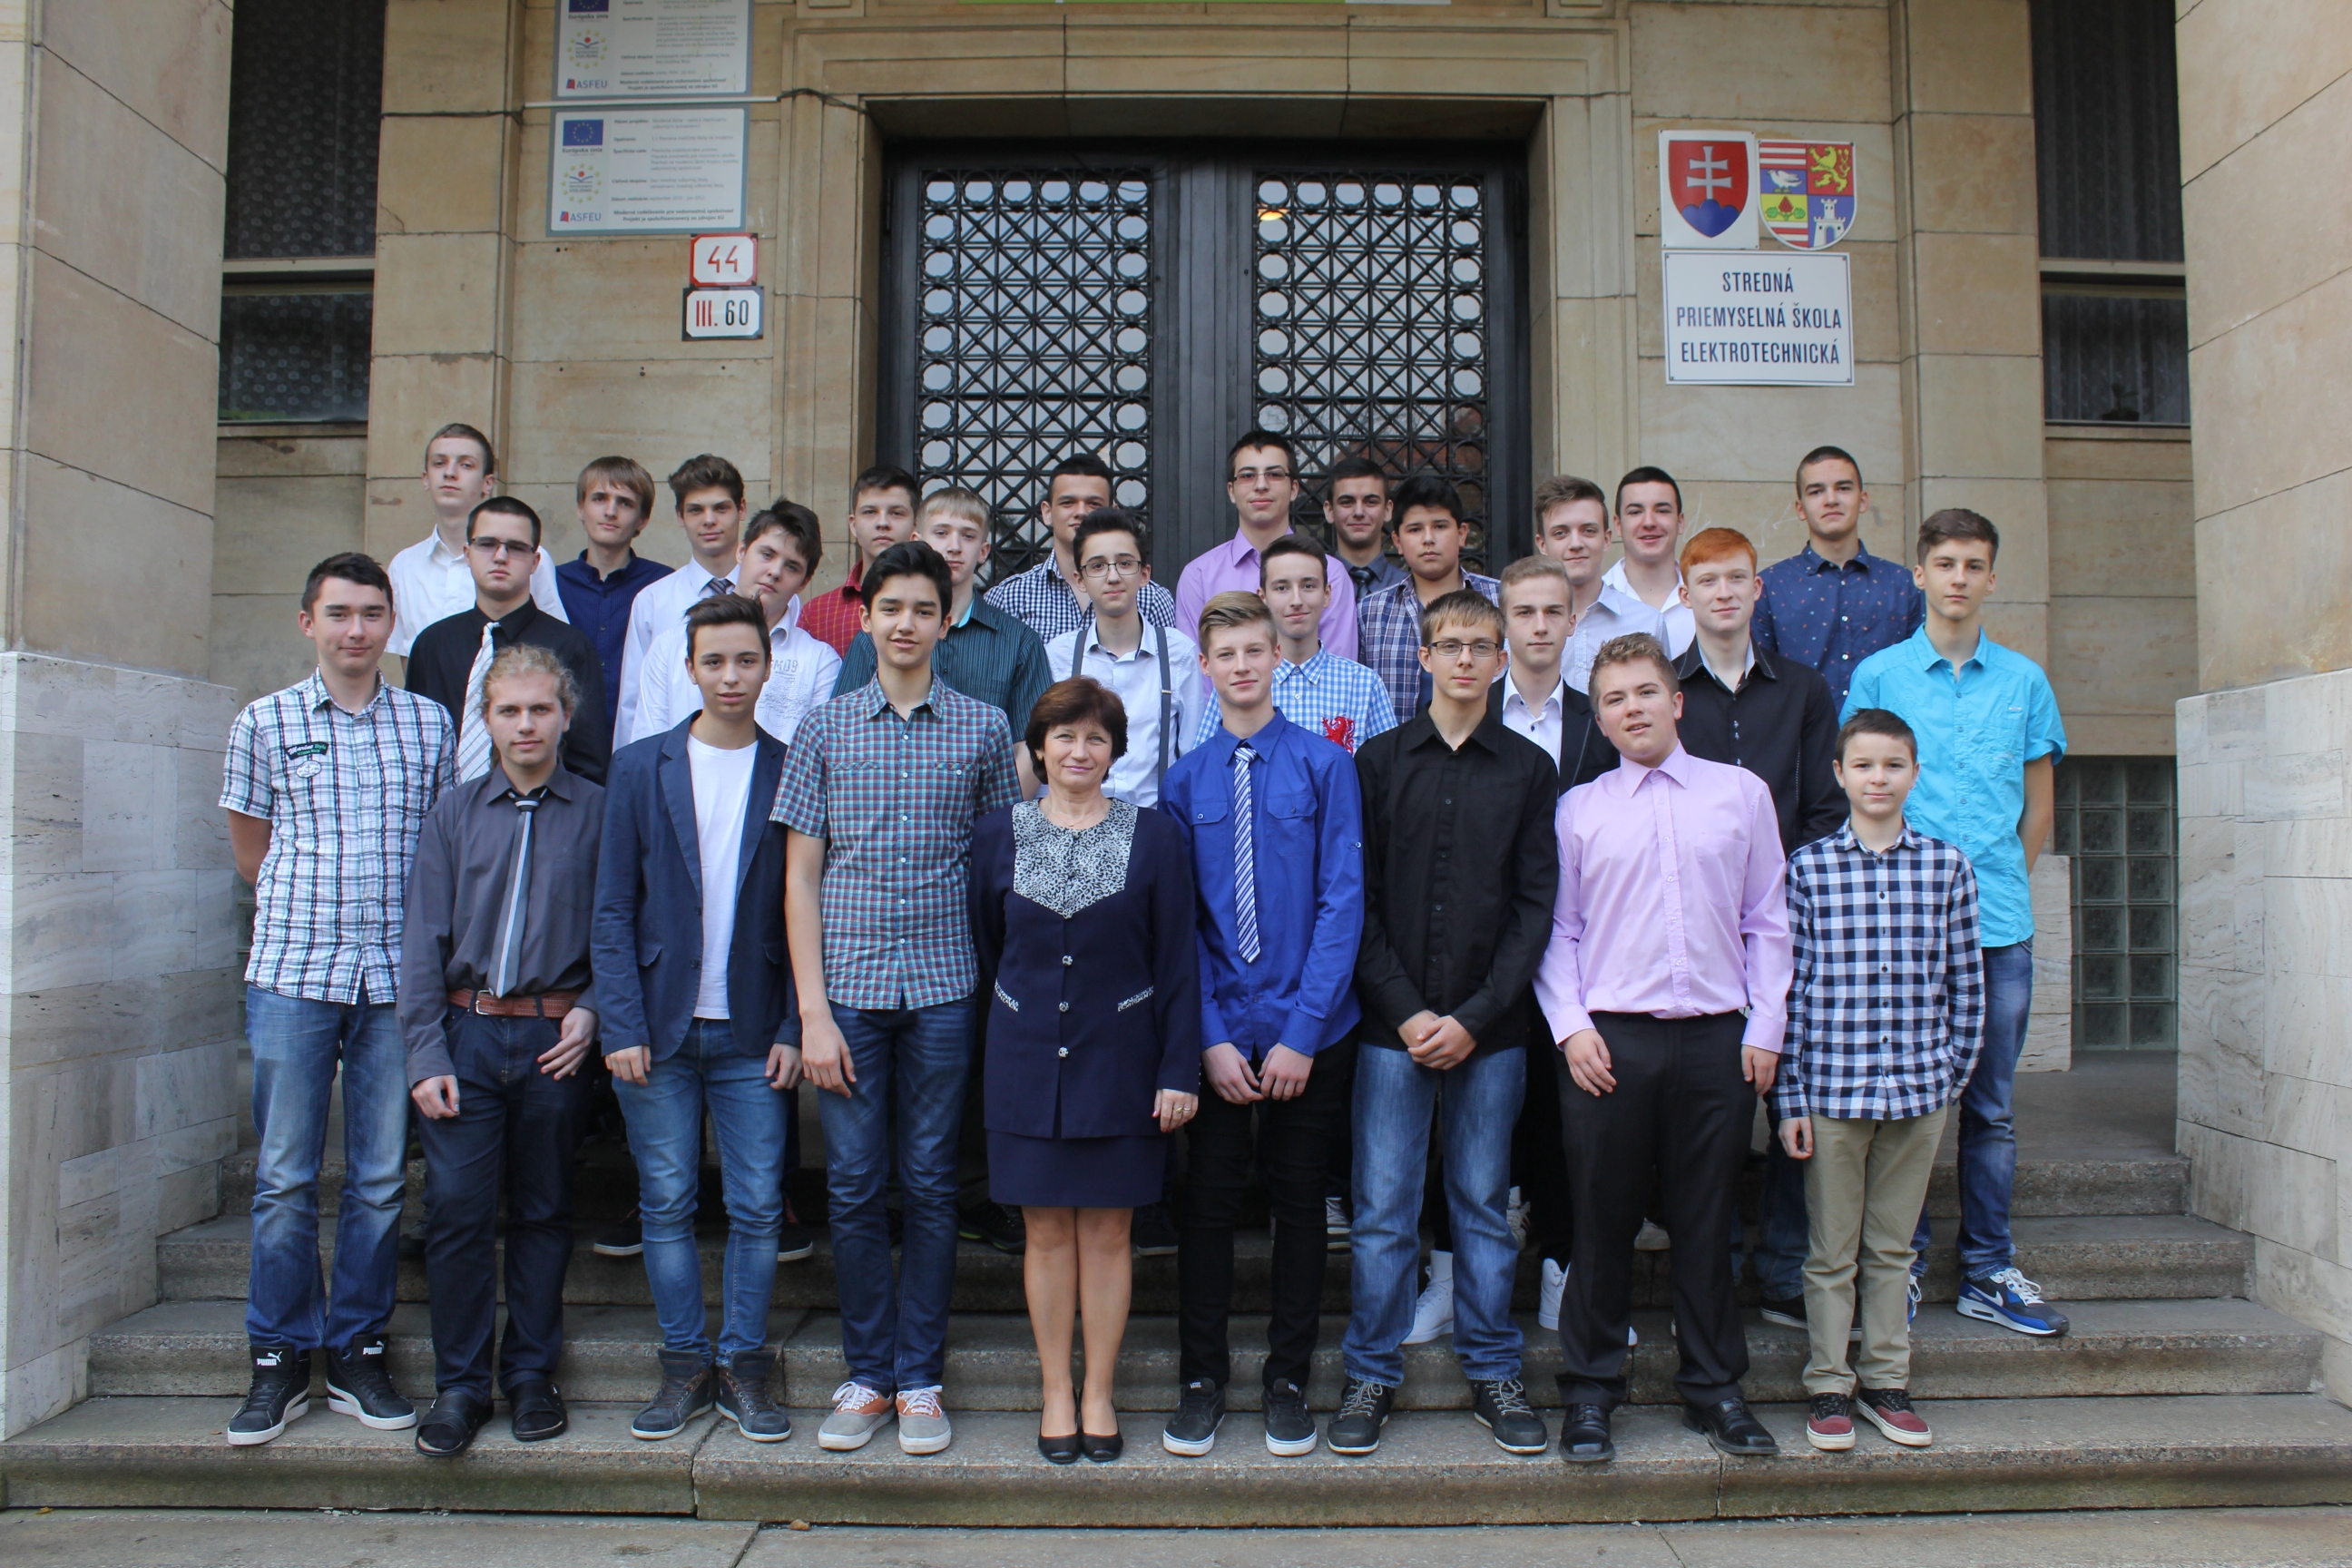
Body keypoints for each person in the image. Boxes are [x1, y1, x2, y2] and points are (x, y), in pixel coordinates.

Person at [777, 540, 1022, 1458]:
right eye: (892, 608)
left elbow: (998, 864)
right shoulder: (825, 729)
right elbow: (800, 880)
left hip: (947, 989)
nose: (907, 624)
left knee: (928, 1183)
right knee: (851, 1185)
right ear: (867, 617)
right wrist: (811, 1013)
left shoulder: (984, 729)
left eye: (924, 608)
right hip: (847, 992)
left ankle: (919, 1376)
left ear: (946, 620)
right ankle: (867, 1373)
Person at [1534, 632, 1789, 1465]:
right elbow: (1559, 931)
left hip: (1718, 1041)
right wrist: (1571, 1027)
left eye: (1645, 692)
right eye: (1614, 699)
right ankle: (1590, 1392)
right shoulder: (1579, 809)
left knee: (1707, 1222)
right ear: (1600, 719)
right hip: (1610, 1044)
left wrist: (1765, 1026)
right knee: (1600, 1222)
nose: (1632, 709)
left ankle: (1715, 1389)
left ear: (1676, 702)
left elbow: (1768, 920)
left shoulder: (1741, 794)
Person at [219, 553, 455, 1446]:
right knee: (284, 1175)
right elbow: (253, 853)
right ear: (308, 622)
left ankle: (358, 1346)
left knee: (381, 1176)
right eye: (340, 613)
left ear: (392, 623)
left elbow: (442, 850)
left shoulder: (428, 724)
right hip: (294, 973)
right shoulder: (265, 722)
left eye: (371, 614)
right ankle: (278, 1355)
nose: (356, 630)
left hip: (395, 980)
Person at [1333, 590, 1557, 1459]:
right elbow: (1356, 902)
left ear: (1503, 661)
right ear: (1423, 657)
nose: (1466, 659)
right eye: (1450, 645)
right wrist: (1407, 1010)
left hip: (1490, 1035)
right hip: (1392, 1030)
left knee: (1483, 1209)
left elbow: (1534, 910)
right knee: (1384, 1211)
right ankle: (1370, 1372)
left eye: (1481, 646)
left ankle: (1494, 1369)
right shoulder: (1379, 763)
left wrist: (1473, 1017)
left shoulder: (1529, 771)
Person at [1844, 507, 2070, 1339]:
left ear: (1992, 578)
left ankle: (1987, 1268)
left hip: (1999, 927)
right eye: (1945, 563)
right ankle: (1899, 1264)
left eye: (1974, 565)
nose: (1959, 579)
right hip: (1904, 932)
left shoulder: (2024, 681)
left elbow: (2038, 804)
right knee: (1901, 1104)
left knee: (1992, 1108)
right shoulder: (1880, 676)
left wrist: (1998, 882)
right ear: (1920, 574)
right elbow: (1864, 791)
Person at [969, 678, 1202, 1464]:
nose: (1079, 750)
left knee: (1109, 1232)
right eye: (1064, 736)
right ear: (1039, 747)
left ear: (1115, 751)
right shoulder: (997, 834)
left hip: (1123, 1064)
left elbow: (1176, 962)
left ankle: (1098, 1390)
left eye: (1096, 738)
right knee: (1043, 1232)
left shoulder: (1156, 837)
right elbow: (990, 946)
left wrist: (1179, 1071)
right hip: (1024, 1061)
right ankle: (1055, 1392)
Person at [1159, 593, 1365, 1461]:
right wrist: (1208, 1036)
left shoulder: (1326, 766)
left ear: (1278, 657)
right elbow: (1179, 924)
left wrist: (1303, 1031)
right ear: (1204, 667)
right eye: (1226, 654)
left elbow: (1342, 903)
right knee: (1207, 1206)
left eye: (1255, 650)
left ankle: (1288, 1381)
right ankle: (1200, 1380)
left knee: (1299, 1202)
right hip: (1219, 1035)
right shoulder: (1184, 781)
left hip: (1308, 1029)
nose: (1242, 666)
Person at [591, 594, 799, 1445]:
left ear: (768, 667)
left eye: (746, 660)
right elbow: (612, 907)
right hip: (657, 1028)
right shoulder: (640, 768)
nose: (730, 677)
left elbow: (810, 908)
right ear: (689, 668)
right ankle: (684, 1364)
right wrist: (619, 1024)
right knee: (666, 1201)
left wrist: (794, 1026)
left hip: (754, 1029)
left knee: (757, 1207)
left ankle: (743, 1365)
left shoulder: (793, 765)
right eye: (714, 661)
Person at [399, 646, 603, 1456]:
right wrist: (425, 1052)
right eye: (509, 710)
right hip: (468, 1034)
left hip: (555, 1037)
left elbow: (621, 926)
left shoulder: (598, 811)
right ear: (485, 720)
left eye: (540, 709)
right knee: (457, 1210)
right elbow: (422, 939)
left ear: (566, 716)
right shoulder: (454, 813)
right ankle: (459, 1385)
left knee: (545, 1209)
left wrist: (594, 1011)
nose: (526, 725)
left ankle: (529, 1376)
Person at [1779, 708, 1985, 1455]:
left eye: (1893, 766)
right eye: (1863, 765)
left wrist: (1949, 1078)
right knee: (1831, 1251)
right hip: (1834, 1091)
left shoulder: (1947, 868)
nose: (1878, 779)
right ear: (1839, 774)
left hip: (1917, 1092)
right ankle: (1829, 1385)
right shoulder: (1807, 870)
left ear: (1914, 774)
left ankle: (1887, 1382)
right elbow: (1789, 992)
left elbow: (1967, 984)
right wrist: (1791, 1098)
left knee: (1893, 1248)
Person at [1670, 525, 1846, 1333]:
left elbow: (1824, 806)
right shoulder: (1668, 691)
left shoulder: (1803, 691)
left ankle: (1780, 1270)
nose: (1724, 593)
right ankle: (1701, 1270)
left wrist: (1779, 889)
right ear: (1686, 594)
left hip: (1788, 918)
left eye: (1737, 578)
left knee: (1792, 1092)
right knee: (1709, 1106)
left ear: (1757, 588)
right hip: (1695, 925)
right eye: (1708, 581)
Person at [1487, 553, 1617, 1338]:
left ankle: (1562, 1268)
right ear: (1504, 623)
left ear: (1573, 621)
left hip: (1582, 950)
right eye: (1523, 612)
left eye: (1551, 612)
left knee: (1566, 1119)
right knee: (1486, 1118)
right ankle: (1465, 1273)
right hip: (1489, 948)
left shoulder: (1599, 721)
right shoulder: (1474, 707)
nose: (1538, 626)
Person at [832, 486, 1054, 807]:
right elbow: (842, 730)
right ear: (917, 540)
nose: (954, 546)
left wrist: (990, 819)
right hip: (884, 808)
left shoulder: (1019, 641)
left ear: (984, 550)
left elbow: (1033, 746)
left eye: (968, 536)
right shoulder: (877, 637)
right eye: (941, 533)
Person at [407, 497, 612, 785]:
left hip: (540, 808)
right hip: (445, 809)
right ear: (467, 554)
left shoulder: (569, 647)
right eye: (487, 544)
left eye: (515, 547)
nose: (501, 556)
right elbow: (415, 748)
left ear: (535, 562)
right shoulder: (433, 645)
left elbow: (589, 764)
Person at [636, 502, 844, 747]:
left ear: (804, 582)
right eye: (767, 555)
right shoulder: (671, 645)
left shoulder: (820, 662)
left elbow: (816, 756)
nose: (775, 572)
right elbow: (647, 748)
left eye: (792, 566)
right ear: (742, 552)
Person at [1040, 508, 1205, 809]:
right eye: (1098, 566)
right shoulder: (1059, 656)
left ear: (1144, 574)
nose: (1113, 577)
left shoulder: (1178, 652)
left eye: (1125, 563)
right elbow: (1046, 754)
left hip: (1155, 822)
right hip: (1076, 820)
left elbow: (1194, 753)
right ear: (1080, 579)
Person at [1754, 446, 1924, 710]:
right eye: (1816, 491)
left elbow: (1922, 679)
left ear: (1863, 500)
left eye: (1843, 488)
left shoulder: (1904, 585)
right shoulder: (1769, 587)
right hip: (1800, 735)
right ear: (1800, 508)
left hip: (1887, 734)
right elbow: (1758, 687)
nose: (1831, 500)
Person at [1200, 532, 1396, 759]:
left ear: (1327, 594)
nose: (1296, 601)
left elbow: (1389, 770)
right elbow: (1204, 763)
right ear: (1263, 597)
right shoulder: (1240, 683)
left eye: (1308, 586)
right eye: (1281, 588)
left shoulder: (1363, 685)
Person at [1174, 430, 1358, 661]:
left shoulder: (1332, 574)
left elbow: (1338, 669)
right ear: (1231, 491)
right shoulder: (1199, 577)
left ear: (1294, 488)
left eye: (1274, 474)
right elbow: (1196, 674)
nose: (1261, 485)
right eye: (1247, 475)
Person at [387, 423, 567, 658]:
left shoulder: (524, 558)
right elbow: (409, 657)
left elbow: (554, 644)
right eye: (439, 463)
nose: (450, 473)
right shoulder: (404, 566)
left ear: (488, 483)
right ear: (425, 479)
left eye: (466, 464)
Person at [612, 455, 750, 745]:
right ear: (679, 516)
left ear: (741, 509)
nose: (709, 520)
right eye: (696, 510)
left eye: (721, 508)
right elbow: (632, 704)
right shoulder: (652, 601)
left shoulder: (770, 596)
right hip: (671, 761)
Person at [1354, 475, 1500, 722]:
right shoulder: (1371, 612)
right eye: (1415, 529)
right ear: (1398, 542)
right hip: (1397, 746)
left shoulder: (1500, 599)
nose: (1428, 538)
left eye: (1440, 526)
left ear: (1462, 534)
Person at [986, 453, 1178, 639]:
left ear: (1112, 512)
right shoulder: (1008, 599)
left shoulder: (1152, 598)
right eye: (1067, 503)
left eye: (1093, 503)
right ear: (1047, 512)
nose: (1081, 512)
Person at [554, 456, 671, 732]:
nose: (610, 511)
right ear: (580, 508)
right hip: (565, 741)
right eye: (599, 499)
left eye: (625, 503)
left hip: (641, 736)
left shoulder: (664, 585)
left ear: (643, 519)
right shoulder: (552, 583)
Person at [1532, 475, 1666, 692]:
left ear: (1606, 539)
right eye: (1561, 533)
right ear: (1542, 544)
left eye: (1588, 531)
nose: (1576, 544)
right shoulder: (1518, 629)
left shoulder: (1649, 623)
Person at [801, 463, 918, 653]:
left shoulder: (933, 607)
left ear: (915, 525)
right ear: (853, 525)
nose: (882, 523)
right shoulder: (817, 614)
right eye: (870, 512)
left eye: (896, 513)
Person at [1600, 467, 1695, 660]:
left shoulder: (1706, 597)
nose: (1649, 522)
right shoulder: (1598, 600)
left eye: (1662, 510)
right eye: (1635, 512)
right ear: (1618, 525)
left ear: (1680, 522)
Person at [1324, 456, 1406, 601]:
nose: (1359, 512)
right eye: (1347, 502)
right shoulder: (1312, 586)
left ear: (1388, 510)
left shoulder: (1409, 589)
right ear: (1329, 511)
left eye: (1371, 502)